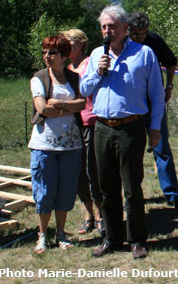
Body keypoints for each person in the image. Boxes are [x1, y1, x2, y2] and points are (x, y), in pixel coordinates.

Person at [81, 4, 165, 259]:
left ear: (125, 28)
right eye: (104, 27)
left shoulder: (144, 53)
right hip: (102, 128)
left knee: (131, 186)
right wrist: (98, 72)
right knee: (106, 187)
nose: (107, 31)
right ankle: (112, 237)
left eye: (112, 26)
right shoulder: (97, 55)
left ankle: (137, 239)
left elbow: (157, 95)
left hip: (131, 127)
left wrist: (155, 128)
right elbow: (85, 90)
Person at [29, 35, 85, 253]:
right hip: (44, 144)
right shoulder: (39, 78)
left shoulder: (73, 78)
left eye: (52, 53)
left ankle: (61, 233)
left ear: (64, 56)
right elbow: (43, 108)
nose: (47, 56)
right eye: (44, 52)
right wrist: (68, 107)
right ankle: (42, 235)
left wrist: (59, 103)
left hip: (71, 145)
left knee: (66, 190)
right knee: (44, 190)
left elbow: (82, 104)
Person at [128, 12, 178, 209]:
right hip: (131, 105)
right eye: (136, 34)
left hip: (154, 103)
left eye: (143, 34)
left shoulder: (154, 40)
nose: (140, 39)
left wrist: (169, 86)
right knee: (131, 152)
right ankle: (132, 196)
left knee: (161, 147)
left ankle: (172, 193)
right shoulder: (121, 44)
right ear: (127, 30)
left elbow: (171, 62)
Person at [63, 29, 103, 236]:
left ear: (81, 45)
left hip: (92, 123)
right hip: (74, 125)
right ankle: (88, 213)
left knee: (93, 171)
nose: (67, 48)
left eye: (71, 44)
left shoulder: (90, 63)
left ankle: (100, 213)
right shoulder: (68, 68)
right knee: (78, 174)